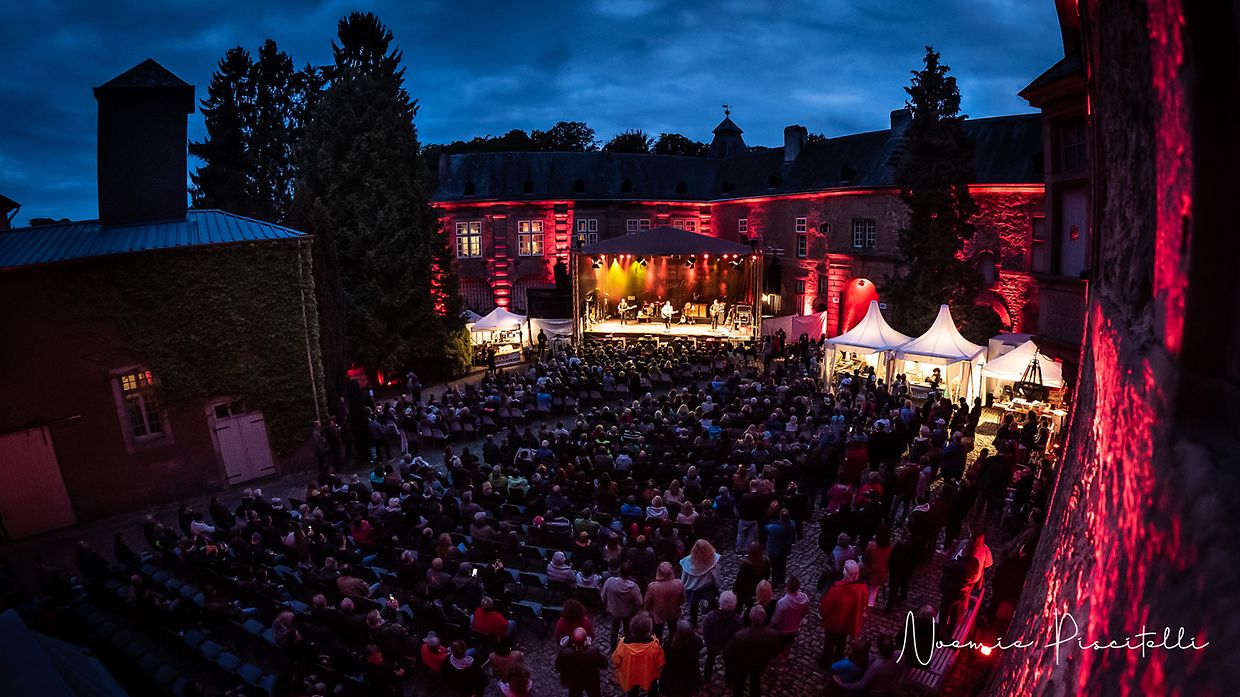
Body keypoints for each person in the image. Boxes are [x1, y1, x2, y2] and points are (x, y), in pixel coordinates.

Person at [723, 605, 781, 697]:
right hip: (760, 664)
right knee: (755, 681)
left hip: (741, 665)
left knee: (738, 684)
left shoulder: (739, 636)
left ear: (750, 617)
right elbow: (774, 652)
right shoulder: (772, 634)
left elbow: (728, 653)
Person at [820, 560, 868, 665]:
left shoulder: (836, 591)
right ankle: (837, 661)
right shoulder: (863, 589)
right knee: (841, 643)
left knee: (829, 643)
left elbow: (825, 608)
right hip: (848, 624)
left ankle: (825, 662)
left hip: (834, 624)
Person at [612, 612, 665, 697]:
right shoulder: (654, 645)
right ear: (648, 630)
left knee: (632, 692)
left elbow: (616, 660)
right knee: (653, 689)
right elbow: (661, 662)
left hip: (631, 675)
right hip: (648, 674)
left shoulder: (623, 644)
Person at [833, 634, 904, 695]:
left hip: (876, 693)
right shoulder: (900, 654)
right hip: (892, 687)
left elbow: (861, 685)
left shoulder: (876, 666)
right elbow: (901, 672)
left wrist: (841, 684)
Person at [701, 590, 742, 681]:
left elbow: (706, 633)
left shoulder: (711, 616)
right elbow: (738, 635)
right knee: (729, 664)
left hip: (713, 644)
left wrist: (709, 644)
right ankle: (728, 683)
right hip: (728, 645)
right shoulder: (738, 620)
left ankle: (707, 680)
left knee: (710, 660)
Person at [679, 539, 721, 627]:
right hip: (708, 586)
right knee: (712, 603)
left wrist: (682, 589)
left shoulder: (688, 562)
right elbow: (716, 575)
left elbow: (684, 578)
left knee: (693, 606)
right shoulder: (713, 560)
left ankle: (694, 624)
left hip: (693, 588)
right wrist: (718, 586)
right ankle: (717, 620)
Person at [556, 627, 608, 697]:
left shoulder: (564, 653)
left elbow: (558, 668)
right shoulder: (593, 652)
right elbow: (604, 665)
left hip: (574, 681)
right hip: (591, 681)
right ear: (585, 639)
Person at [603, 563, 644, 647]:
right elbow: (639, 602)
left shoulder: (610, 582)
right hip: (627, 612)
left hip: (614, 611)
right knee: (627, 630)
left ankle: (613, 647)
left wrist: (606, 605)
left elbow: (603, 596)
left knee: (614, 630)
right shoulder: (634, 587)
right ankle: (627, 646)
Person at [659, 620, 703, 697]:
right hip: (690, 671)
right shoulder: (697, 642)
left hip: (674, 673)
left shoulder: (670, 645)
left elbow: (664, 655)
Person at [644, 561, 685, 641]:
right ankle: (673, 648)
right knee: (673, 631)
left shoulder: (652, 586)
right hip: (674, 612)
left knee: (657, 634)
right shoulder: (679, 583)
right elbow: (682, 600)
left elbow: (647, 602)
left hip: (658, 614)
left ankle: (658, 650)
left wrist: (649, 610)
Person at [769, 575, 810, 653]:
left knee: (779, 648)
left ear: (787, 587)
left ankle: (779, 662)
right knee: (788, 645)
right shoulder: (805, 599)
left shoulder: (782, 603)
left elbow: (776, 620)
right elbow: (804, 613)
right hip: (794, 629)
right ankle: (785, 659)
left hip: (782, 631)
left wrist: (769, 627)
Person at [763, 508, 796, 587]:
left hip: (775, 550)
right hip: (785, 549)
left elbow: (766, 527)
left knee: (775, 568)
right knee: (782, 565)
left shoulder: (776, 528)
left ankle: (775, 585)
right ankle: (781, 581)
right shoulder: (792, 524)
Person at [733, 544, 771, 610]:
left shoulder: (745, 566)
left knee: (740, 605)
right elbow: (767, 575)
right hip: (757, 589)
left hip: (745, 591)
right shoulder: (765, 562)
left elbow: (739, 580)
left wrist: (734, 590)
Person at [864, 525, 893, 608]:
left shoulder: (871, 545)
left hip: (871, 571)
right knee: (874, 590)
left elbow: (866, 558)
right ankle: (870, 604)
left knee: (867, 587)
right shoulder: (890, 548)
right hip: (882, 571)